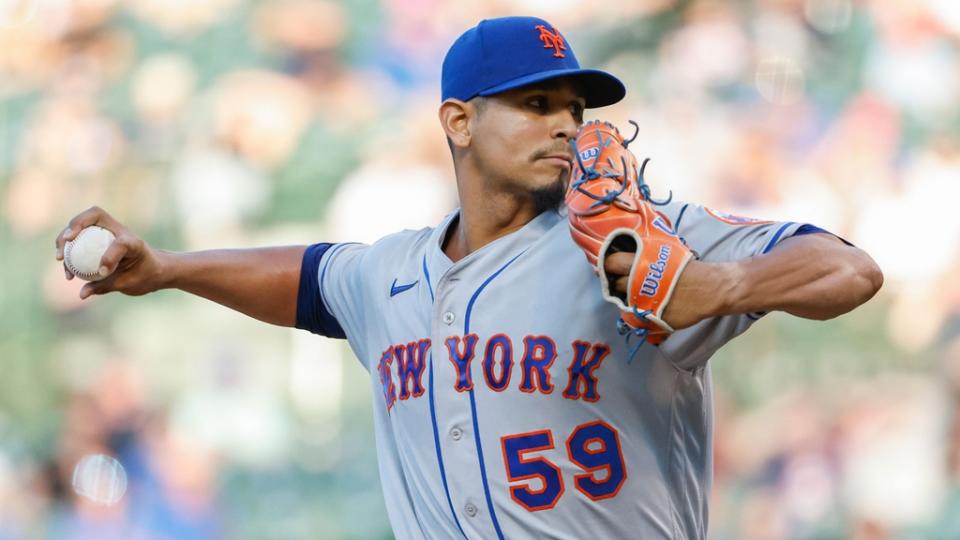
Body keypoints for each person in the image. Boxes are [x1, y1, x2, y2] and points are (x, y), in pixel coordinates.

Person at [54, 16, 883, 540]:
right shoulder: (390, 274)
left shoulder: (632, 243)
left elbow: (850, 269)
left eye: (574, 107)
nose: (564, 123)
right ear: (458, 119)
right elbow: (306, 281)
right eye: (534, 103)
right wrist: (165, 269)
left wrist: (724, 288)